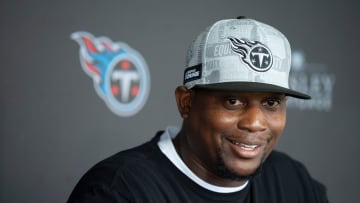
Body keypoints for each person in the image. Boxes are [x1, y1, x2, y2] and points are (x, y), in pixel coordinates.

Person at [67, 16, 329, 202]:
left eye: (271, 103)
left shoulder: (293, 181)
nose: (255, 122)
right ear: (186, 103)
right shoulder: (118, 191)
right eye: (233, 101)